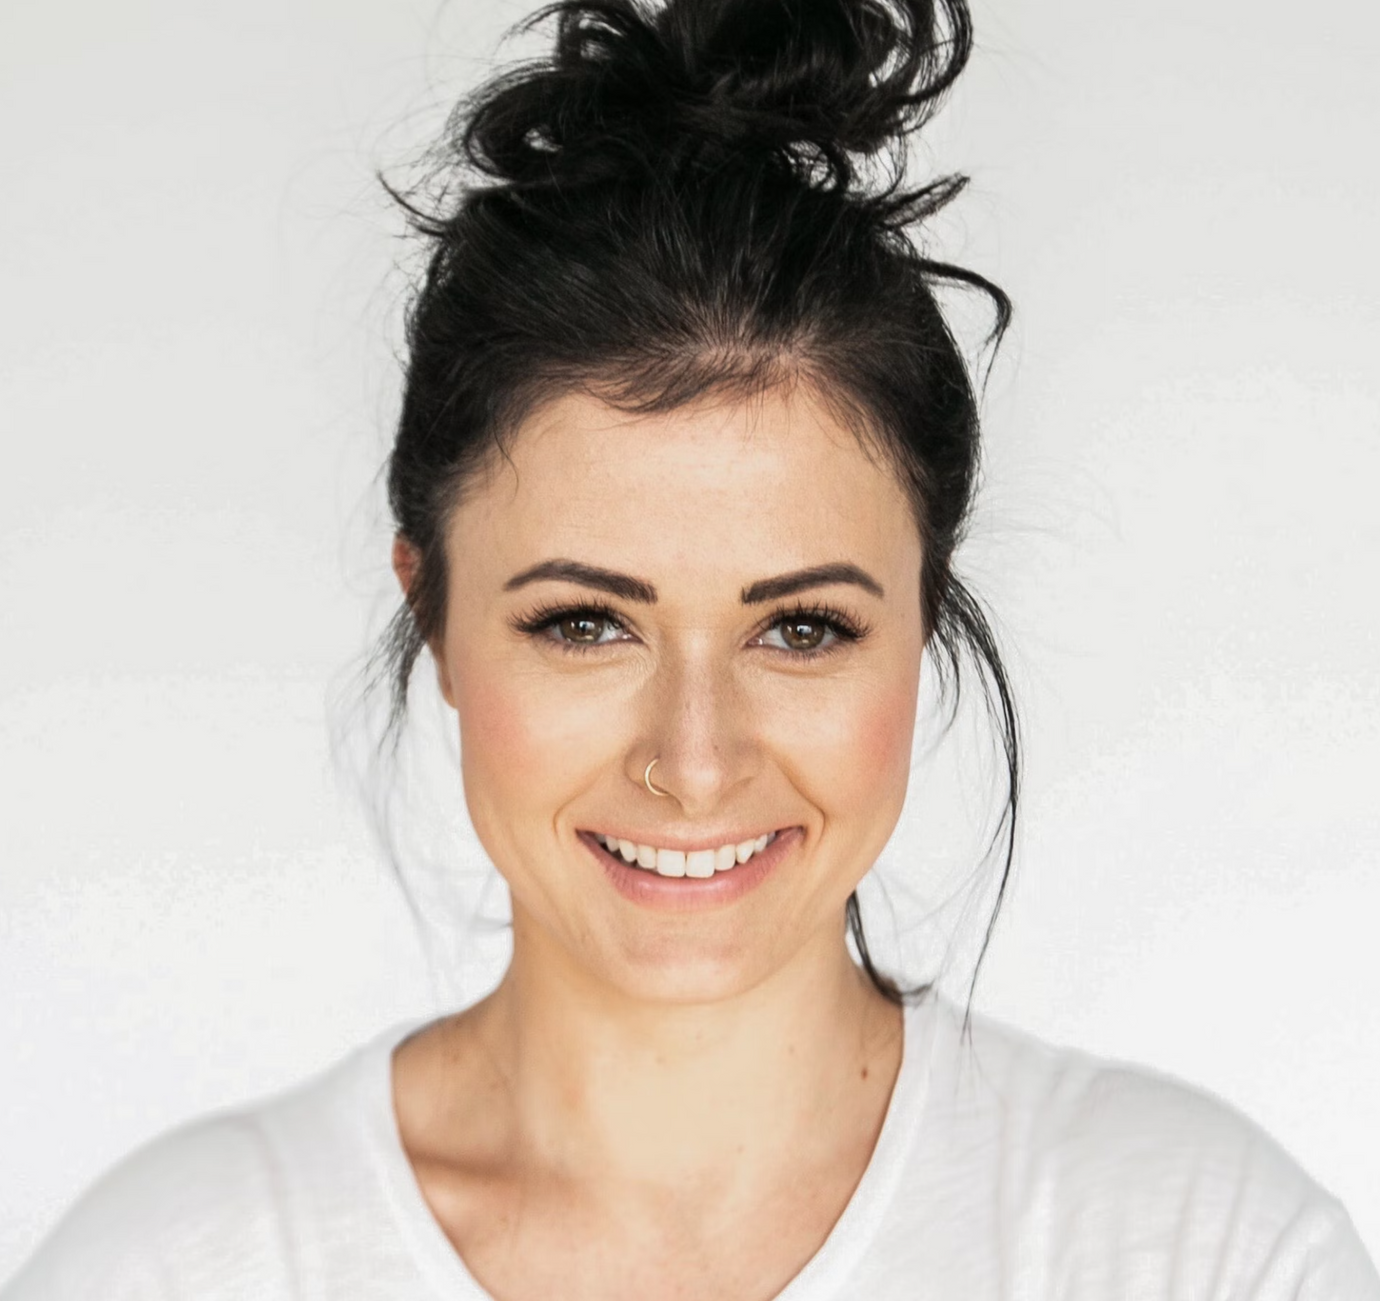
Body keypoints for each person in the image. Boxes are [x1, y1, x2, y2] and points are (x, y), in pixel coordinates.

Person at [5, 0, 1377, 1297]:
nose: (695, 762)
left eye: (802, 628)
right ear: (429, 610)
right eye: (585, 623)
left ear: (924, 618)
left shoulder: (1198, 1253)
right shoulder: (184, 1268)